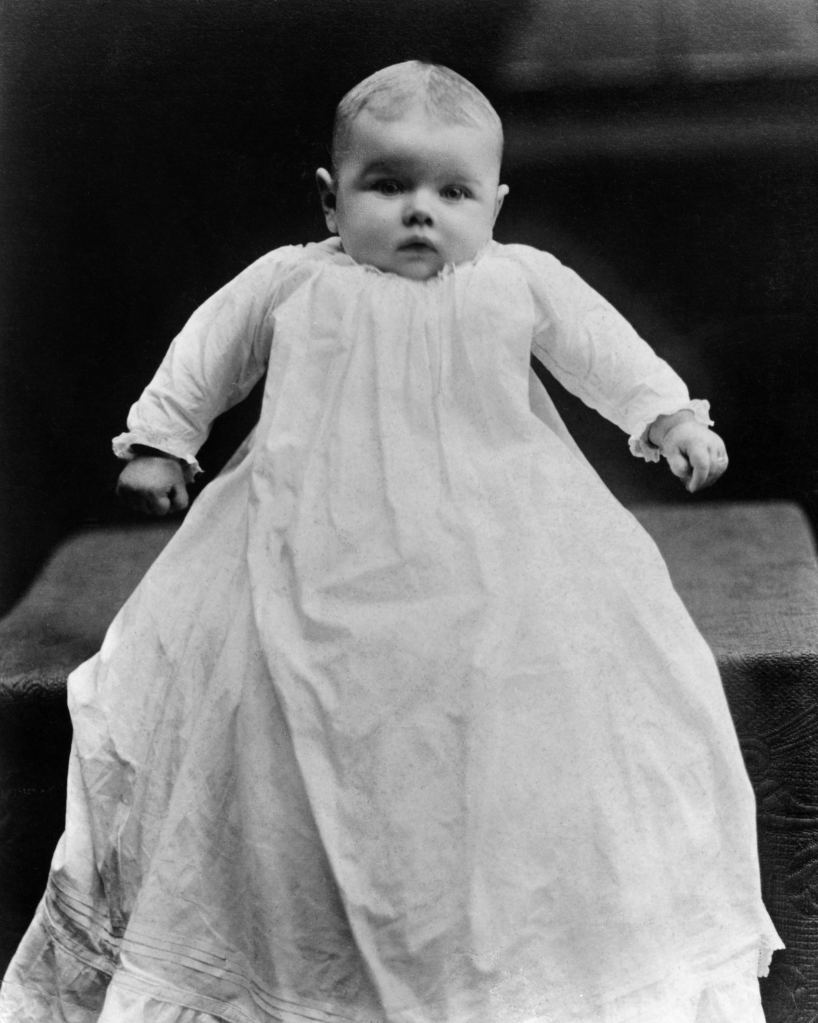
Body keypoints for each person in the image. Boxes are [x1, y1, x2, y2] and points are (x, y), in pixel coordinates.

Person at [0, 60, 781, 1023]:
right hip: (308, 530)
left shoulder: (518, 280)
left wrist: (667, 418)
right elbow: (209, 350)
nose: (421, 214)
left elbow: (599, 346)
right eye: (389, 186)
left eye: (452, 192)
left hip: (496, 532)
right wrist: (165, 441)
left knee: (547, 673)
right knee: (254, 682)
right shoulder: (293, 282)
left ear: (495, 203)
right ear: (332, 201)